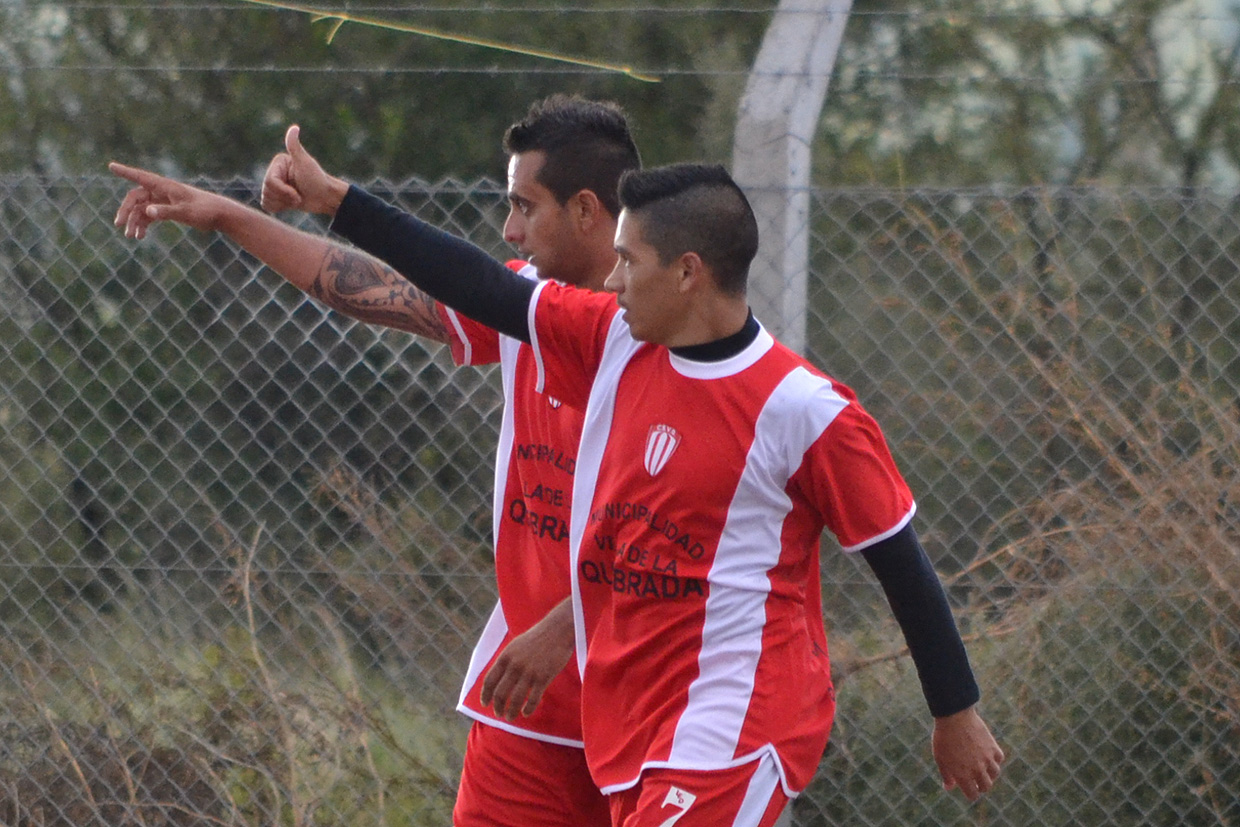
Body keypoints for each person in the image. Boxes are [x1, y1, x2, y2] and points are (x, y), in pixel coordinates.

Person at [114, 155, 1005, 822]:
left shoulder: (805, 412)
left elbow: (901, 567)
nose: (610, 279)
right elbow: (463, 278)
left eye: (629, 261)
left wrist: (953, 711)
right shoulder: (609, 338)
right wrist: (338, 201)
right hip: (629, 721)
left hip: (738, 720)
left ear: (689, 272)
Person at [112, 94, 640, 827]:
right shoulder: (525, 300)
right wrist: (230, 215)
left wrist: (564, 626)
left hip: (650, 710)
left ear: (587, 211)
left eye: (525, 206)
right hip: (529, 707)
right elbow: (369, 289)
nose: (508, 228)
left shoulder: (665, 343)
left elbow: (683, 532)